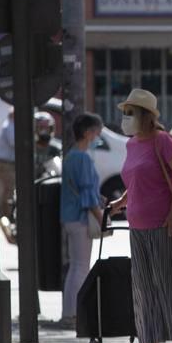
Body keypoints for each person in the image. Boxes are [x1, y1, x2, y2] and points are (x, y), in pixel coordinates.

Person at [108, 89, 172, 343]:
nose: (126, 118)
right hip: (137, 226)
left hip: (162, 225)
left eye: (131, 113)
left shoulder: (162, 141)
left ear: (146, 116)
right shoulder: (133, 144)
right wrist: (123, 200)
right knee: (143, 288)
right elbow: (137, 180)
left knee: (168, 286)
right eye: (125, 112)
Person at [59, 113, 105, 327]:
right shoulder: (83, 158)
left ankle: (69, 311)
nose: (98, 137)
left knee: (75, 266)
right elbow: (88, 195)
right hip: (80, 218)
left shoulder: (70, 156)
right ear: (88, 133)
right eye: (97, 133)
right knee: (80, 266)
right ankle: (75, 313)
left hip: (69, 216)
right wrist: (103, 218)